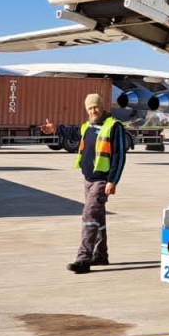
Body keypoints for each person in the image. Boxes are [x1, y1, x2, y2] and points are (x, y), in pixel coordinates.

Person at [66, 93, 128, 274]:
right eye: (90, 108)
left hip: (102, 180)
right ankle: (101, 255)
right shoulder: (88, 126)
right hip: (88, 179)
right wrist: (55, 129)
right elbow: (73, 132)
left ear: (102, 107)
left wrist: (113, 180)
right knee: (98, 218)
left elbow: (120, 156)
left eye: (96, 107)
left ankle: (83, 259)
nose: (93, 110)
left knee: (89, 216)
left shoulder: (113, 126)